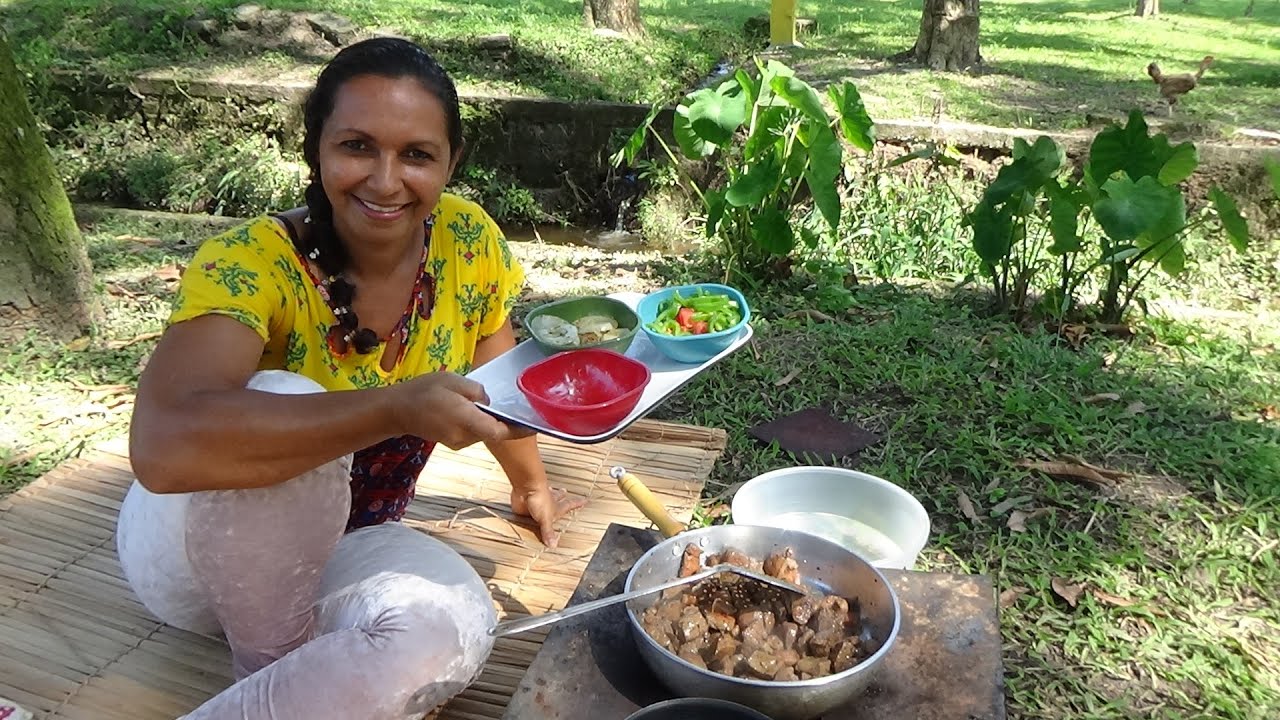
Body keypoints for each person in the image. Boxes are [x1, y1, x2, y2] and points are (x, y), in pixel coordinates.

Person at [115, 37, 586, 719]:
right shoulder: (250, 264)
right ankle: (270, 666)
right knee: (284, 396)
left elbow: (497, 375)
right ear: (316, 148)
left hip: (343, 547)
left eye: (417, 154)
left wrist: (530, 484)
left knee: (451, 631)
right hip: (193, 556)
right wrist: (394, 408)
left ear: (451, 161)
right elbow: (163, 446)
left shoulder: (468, 242)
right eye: (358, 146)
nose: (386, 181)